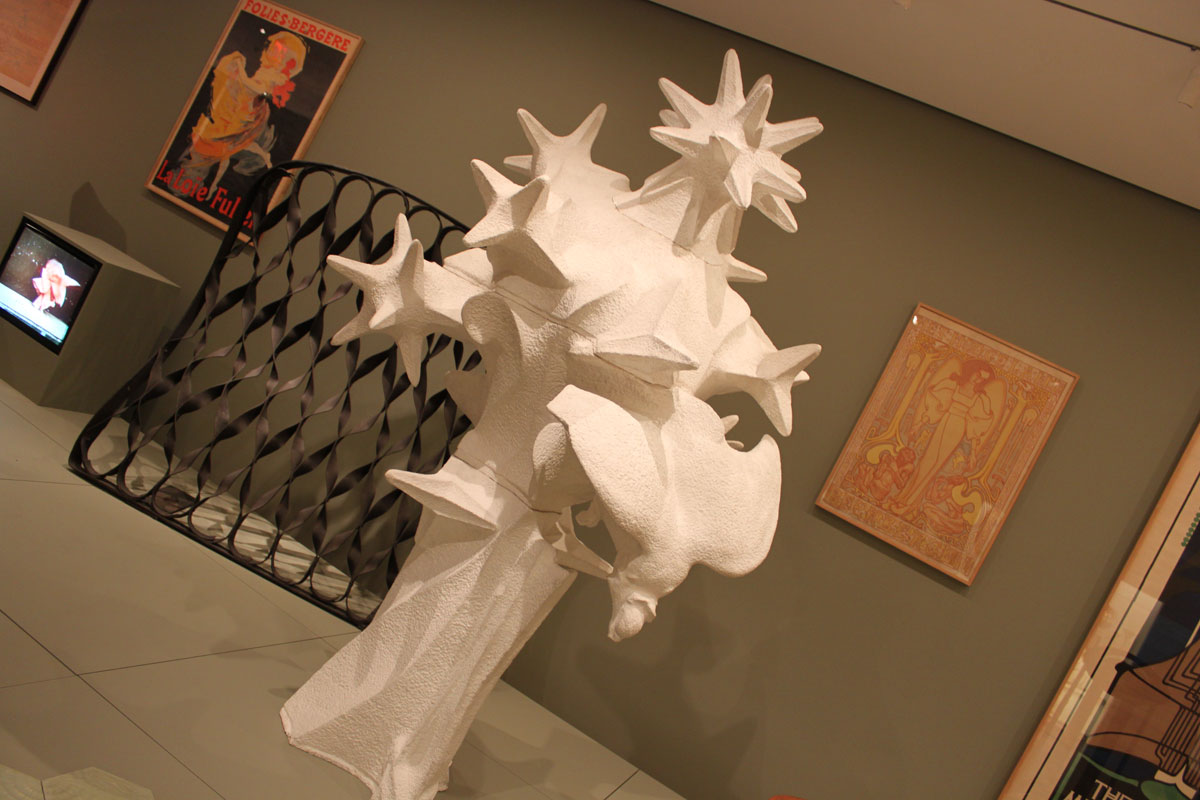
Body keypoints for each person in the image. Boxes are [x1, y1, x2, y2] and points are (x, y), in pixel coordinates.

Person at [174, 31, 307, 195]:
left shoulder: (273, 78)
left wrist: (240, 73)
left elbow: (257, 90)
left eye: (279, 51)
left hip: (236, 122)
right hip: (228, 121)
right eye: (273, 48)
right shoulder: (261, 74)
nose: (269, 53)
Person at [890, 358, 1003, 517]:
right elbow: (937, 405)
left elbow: (975, 427)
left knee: (936, 465)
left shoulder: (979, 398)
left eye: (983, 379)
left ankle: (910, 503)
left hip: (958, 428)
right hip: (945, 420)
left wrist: (973, 453)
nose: (978, 380)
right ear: (971, 371)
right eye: (978, 375)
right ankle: (902, 497)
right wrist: (919, 424)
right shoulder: (953, 385)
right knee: (925, 461)